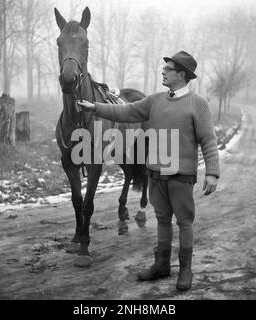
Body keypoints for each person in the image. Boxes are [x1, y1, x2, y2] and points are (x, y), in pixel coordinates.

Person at [78, 51, 220, 291]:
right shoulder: (155, 100)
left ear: (182, 75)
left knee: (184, 222)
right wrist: (95, 107)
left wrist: (212, 172)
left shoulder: (199, 104)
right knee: (162, 220)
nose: (163, 71)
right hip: (155, 174)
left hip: (181, 176)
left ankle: (185, 270)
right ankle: (161, 265)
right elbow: (125, 111)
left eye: (169, 69)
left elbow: (208, 139)